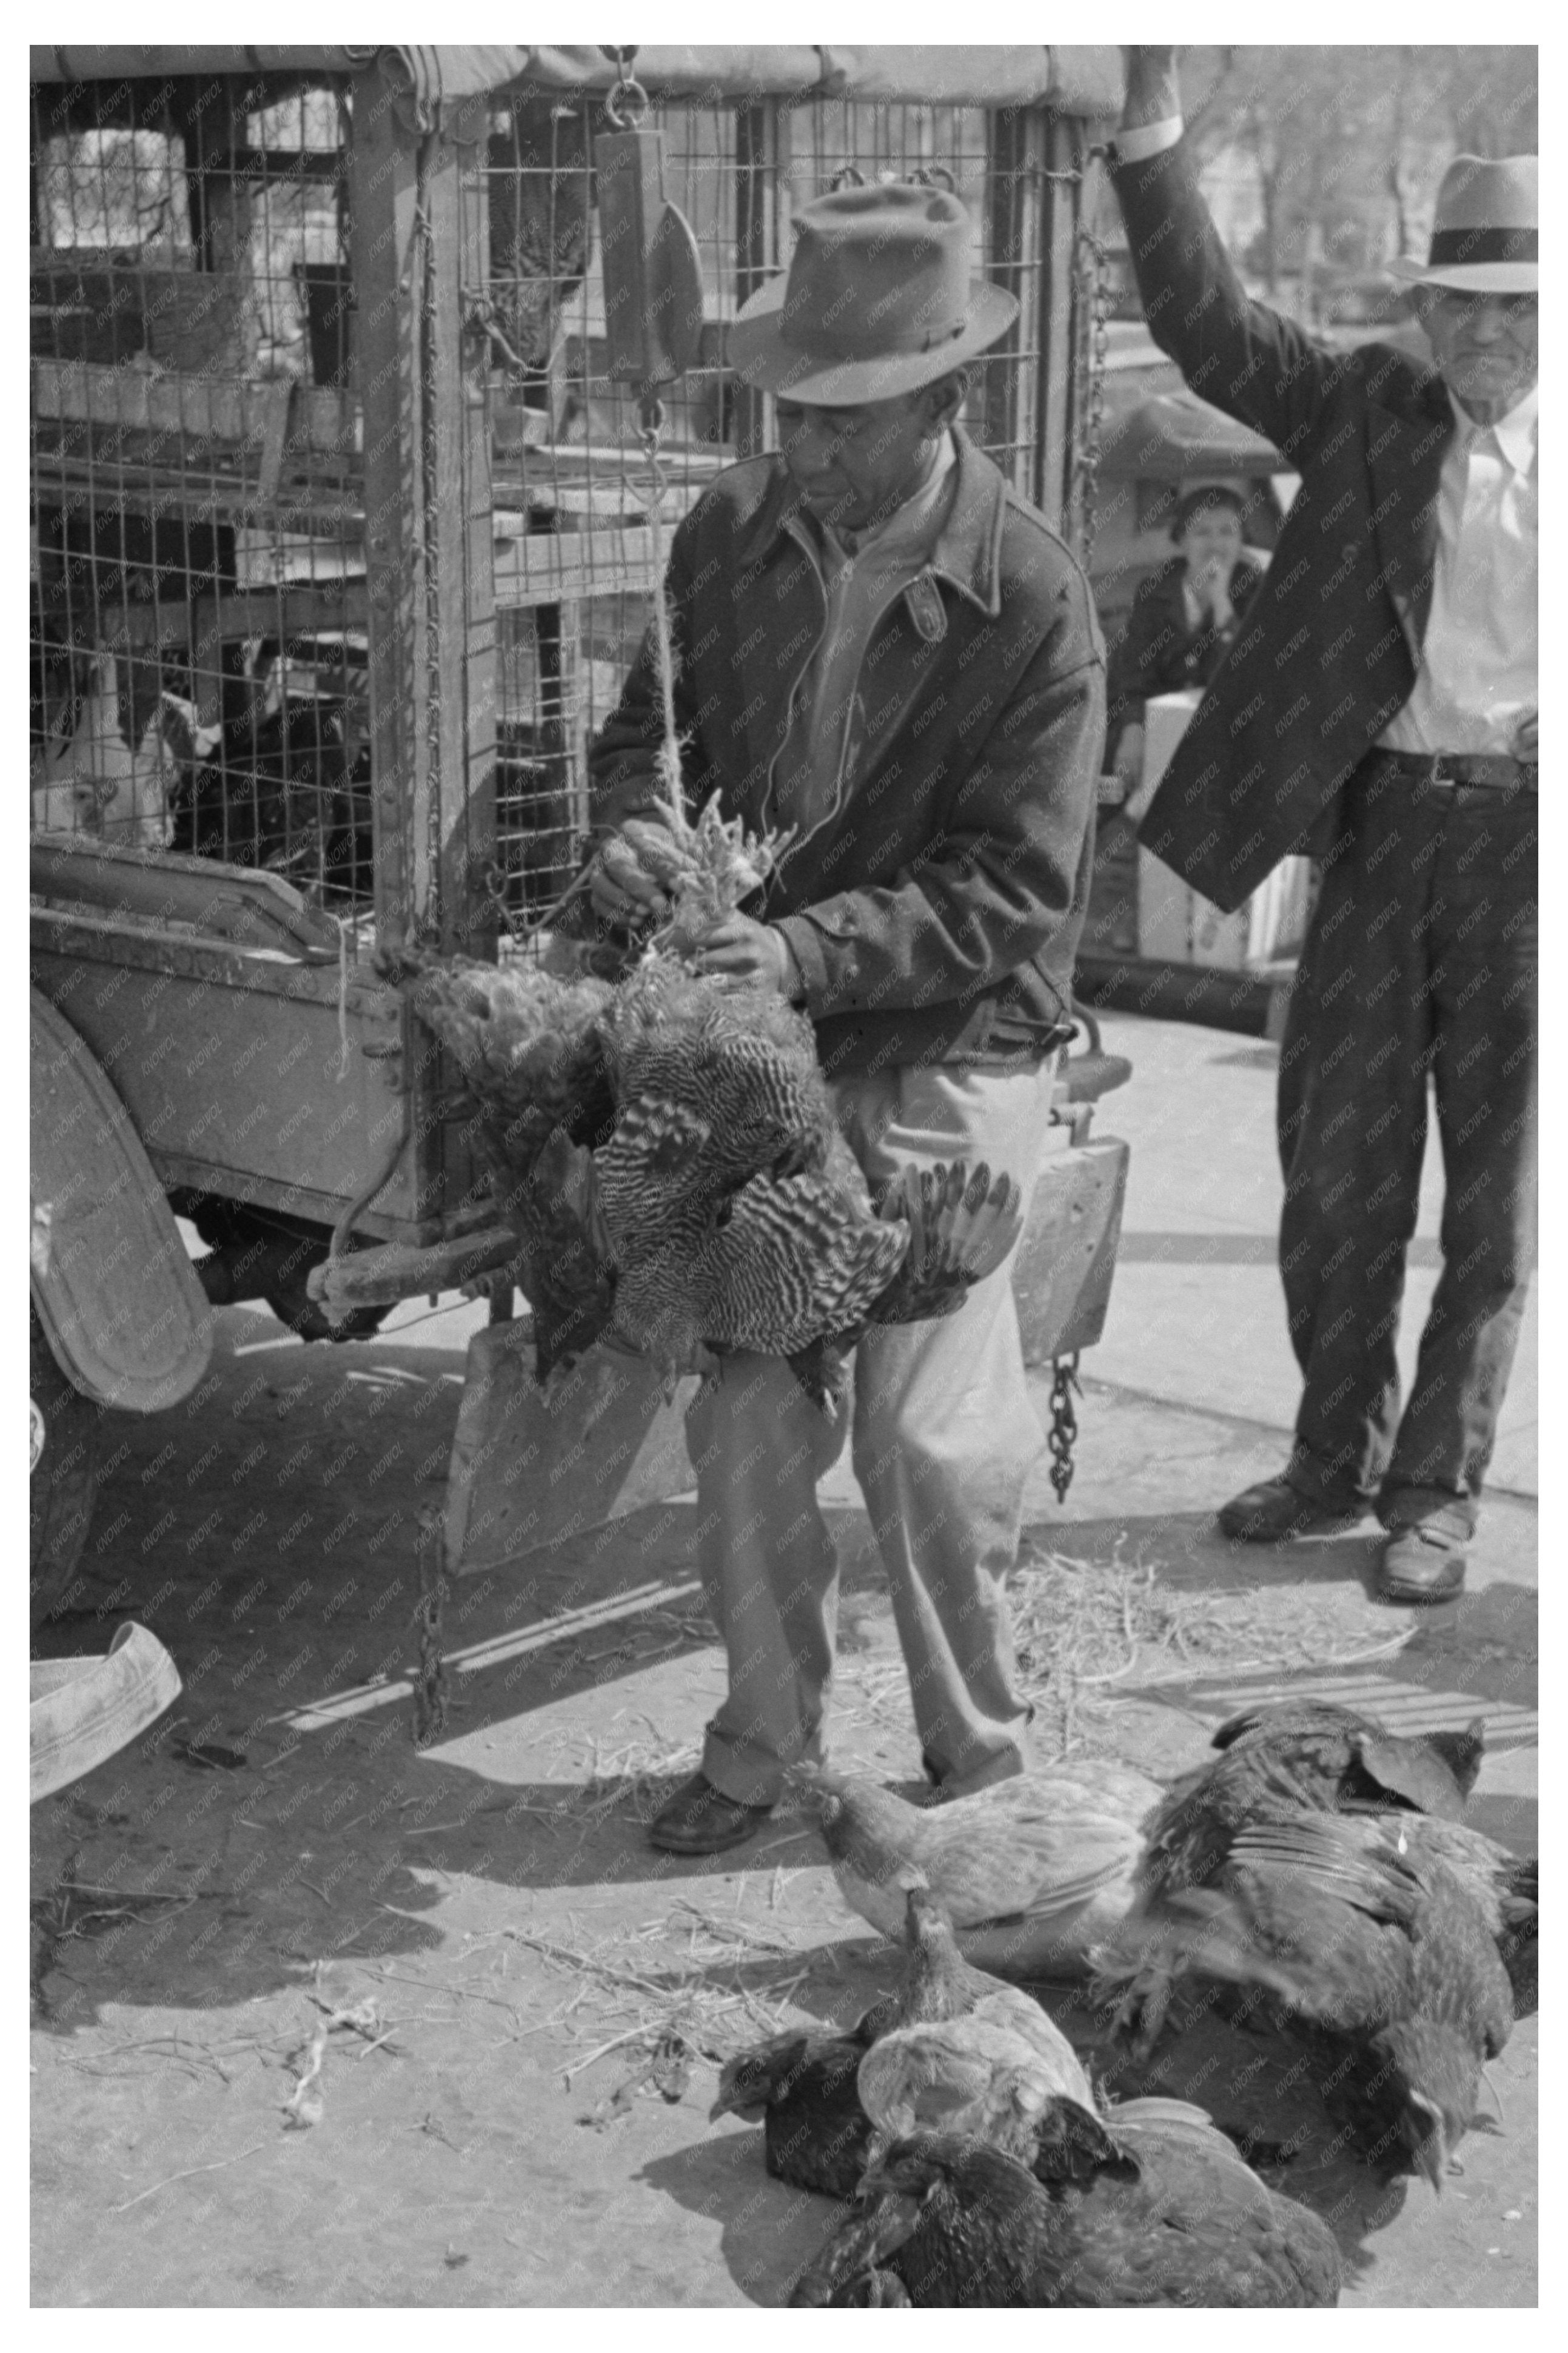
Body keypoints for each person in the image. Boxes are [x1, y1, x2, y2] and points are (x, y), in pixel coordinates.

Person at [585, 183, 1104, 1851]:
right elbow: (627, 739)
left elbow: (1013, 891)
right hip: (761, 1050)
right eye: (788, 411)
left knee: (927, 1440)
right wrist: (629, 825)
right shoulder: (716, 549)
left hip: (949, 1045)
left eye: (842, 419)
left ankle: (982, 1771)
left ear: (941, 404)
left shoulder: (1033, 598)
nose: (801, 448)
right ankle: (767, 1745)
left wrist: (808, 954)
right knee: (743, 1421)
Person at [1113, 49, 1537, 1605]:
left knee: (1487, 1200)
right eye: (1464, 306)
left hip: (1520, 853)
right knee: (1336, 1168)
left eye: (1518, 306)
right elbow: (1206, 327)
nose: (1488, 333)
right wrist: (1149, 129)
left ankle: (1434, 1485)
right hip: (1375, 832)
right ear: (1424, 313)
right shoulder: (1367, 407)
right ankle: (1330, 1457)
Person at [1105, 482, 1264, 816]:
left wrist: (1222, 604)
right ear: (1183, 540)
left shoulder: (1255, 589)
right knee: (1114, 797)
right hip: (1155, 727)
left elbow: (1242, 675)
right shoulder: (1156, 592)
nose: (1216, 544)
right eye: (1202, 532)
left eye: (1227, 532)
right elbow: (1133, 674)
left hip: (1224, 735)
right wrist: (1134, 731)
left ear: (1241, 541)